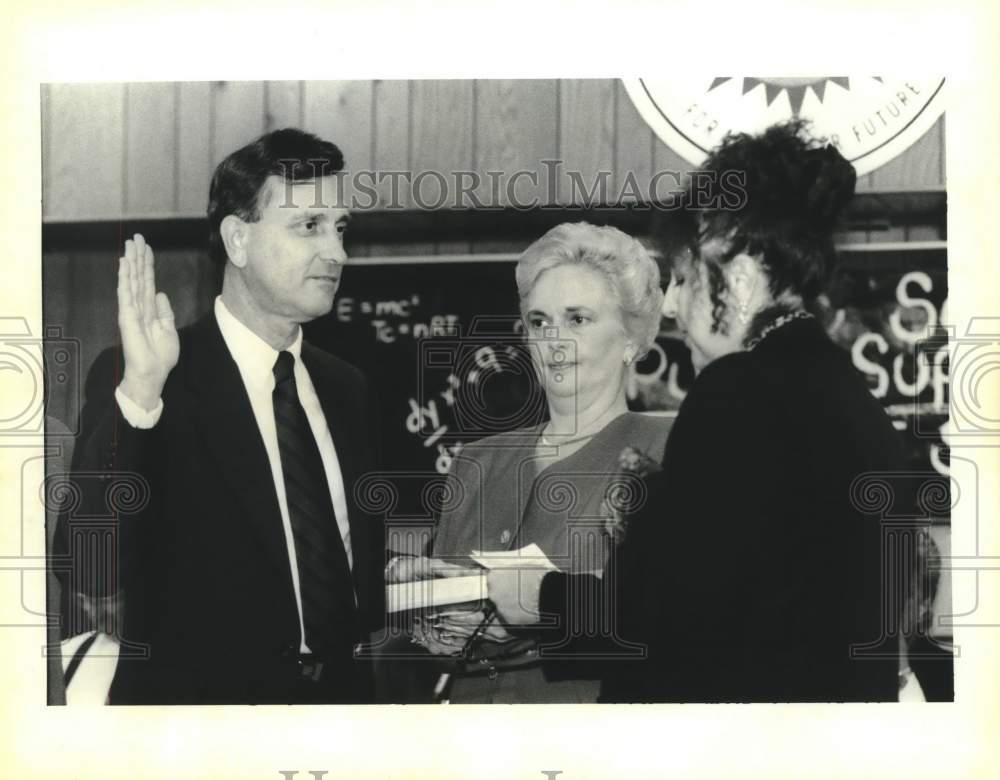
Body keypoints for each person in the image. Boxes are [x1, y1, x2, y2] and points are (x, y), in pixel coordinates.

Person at [488, 121, 910, 702]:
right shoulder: (845, 394)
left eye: (684, 277)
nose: (672, 304)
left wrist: (541, 597)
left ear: (737, 280)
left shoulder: (741, 390)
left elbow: (670, 616)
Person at [57, 128, 383, 704]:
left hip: (340, 716)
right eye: (309, 226)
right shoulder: (156, 377)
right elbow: (88, 568)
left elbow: (329, 564)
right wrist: (139, 394)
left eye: (340, 228)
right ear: (237, 239)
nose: (336, 252)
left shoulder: (346, 387)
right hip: (199, 734)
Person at [387, 222, 672, 703]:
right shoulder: (478, 460)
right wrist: (422, 605)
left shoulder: (667, 451)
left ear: (631, 337)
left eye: (577, 319)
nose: (554, 342)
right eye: (540, 322)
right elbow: (441, 635)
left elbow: (675, 624)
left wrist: (541, 617)